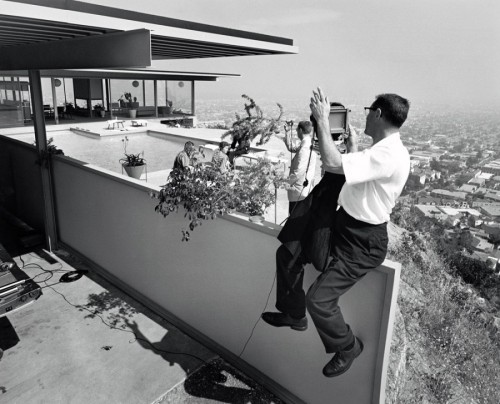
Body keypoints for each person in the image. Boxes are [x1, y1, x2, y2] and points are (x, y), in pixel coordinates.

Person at [262, 89, 410, 378]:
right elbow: (356, 178)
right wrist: (353, 147)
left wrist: (321, 119)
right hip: (344, 228)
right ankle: (294, 314)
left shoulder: (389, 154)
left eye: (369, 110)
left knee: (319, 300)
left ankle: (347, 347)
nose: (365, 115)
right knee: (289, 252)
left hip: (363, 243)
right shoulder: (380, 150)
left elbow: (332, 164)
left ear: (378, 113)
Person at [283, 120, 317, 214]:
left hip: (299, 191)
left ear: (300, 130)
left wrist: (286, 183)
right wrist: (287, 132)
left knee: (295, 219)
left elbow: (298, 171)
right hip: (303, 190)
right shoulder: (308, 144)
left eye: (297, 130)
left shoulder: (305, 149)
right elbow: (291, 148)